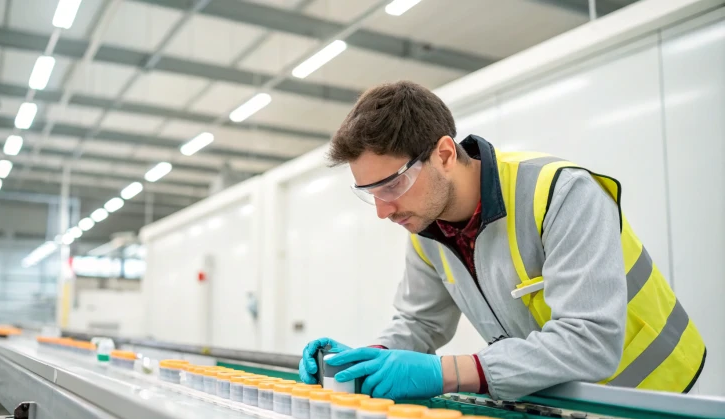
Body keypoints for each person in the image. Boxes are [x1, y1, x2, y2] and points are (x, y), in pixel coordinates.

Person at [298, 81, 706, 401]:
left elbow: (591, 341)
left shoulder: (560, 193)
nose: (383, 211)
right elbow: (420, 324)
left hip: (656, 397)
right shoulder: (426, 229)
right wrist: (367, 358)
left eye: (392, 185)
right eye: (370, 193)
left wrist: (448, 373)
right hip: (565, 402)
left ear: (443, 154)